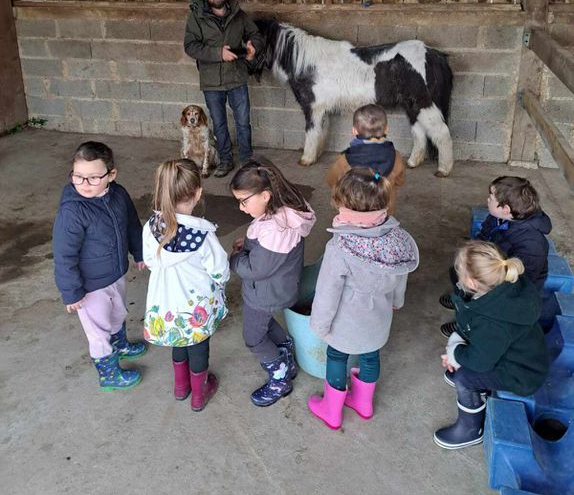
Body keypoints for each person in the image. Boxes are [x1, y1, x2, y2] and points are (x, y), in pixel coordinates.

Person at [308, 167, 419, 430]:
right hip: (379, 319)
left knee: (337, 356)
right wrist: (397, 300)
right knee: (370, 356)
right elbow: (400, 273)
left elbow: (327, 292)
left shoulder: (339, 248)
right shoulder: (397, 241)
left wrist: (319, 324)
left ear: (342, 204)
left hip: (346, 323)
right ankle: (363, 403)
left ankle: (331, 410)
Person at [435, 241, 549, 449]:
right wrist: (458, 343)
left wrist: (455, 353)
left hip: (521, 373)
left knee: (465, 377)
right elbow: (475, 330)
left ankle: (470, 429)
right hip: (513, 353)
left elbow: (480, 362)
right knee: (467, 360)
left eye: (459, 271)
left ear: (470, 282)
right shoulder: (504, 286)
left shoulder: (492, 322)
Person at [53, 141, 147, 391]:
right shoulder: (72, 211)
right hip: (89, 286)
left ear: (111, 175)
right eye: (79, 176)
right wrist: (71, 292)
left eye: (94, 178)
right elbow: (64, 255)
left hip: (115, 273)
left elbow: (131, 225)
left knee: (117, 313)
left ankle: (121, 345)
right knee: (98, 331)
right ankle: (108, 373)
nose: (84, 184)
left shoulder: (118, 195)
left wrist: (139, 252)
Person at [142, 159, 229, 411]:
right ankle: (199, 393)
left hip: (166, 301)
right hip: (196, 306)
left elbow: (149, 261)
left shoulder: (151, 227)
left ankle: (181, 387)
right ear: (198, 192)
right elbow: (220, 270)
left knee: (178, 342)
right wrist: (221, 282)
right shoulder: (203, 236)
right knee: (198, 345)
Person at [229, 161, 316, 406]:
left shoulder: (275, 230)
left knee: (254, 338)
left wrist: (236, 258)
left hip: (264, 293)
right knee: (263, 325)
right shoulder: (286, 210)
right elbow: (264, 252)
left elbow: (256, 268)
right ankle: (284, 351)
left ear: (265, 195)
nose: (241, 207)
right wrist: (247, 246)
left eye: (244, 201)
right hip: (280, 287)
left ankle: (279, 377)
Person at [439, 176, 551, 337]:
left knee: (484, 305)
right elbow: (484, 234)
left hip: (509, 283)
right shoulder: (498, 217)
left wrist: (484, 282)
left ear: (505, 208)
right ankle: (462, 299)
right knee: (457, 271)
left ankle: (466, 326)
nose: (487, 199)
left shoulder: (532, 244)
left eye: (491, 197)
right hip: (492, 264)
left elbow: (519, 281)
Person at [183, 0, 263, 177]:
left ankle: (246, 159)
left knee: (243, 122)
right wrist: (219, 53)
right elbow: (190, 46)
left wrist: (254, 46)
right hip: (211, 80)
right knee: (219, 124)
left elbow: (255, 34)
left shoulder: (238, 14)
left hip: (236, 76)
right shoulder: (196, 17)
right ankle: (225, 160)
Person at [325, 104, 405, 214]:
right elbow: (400, 181)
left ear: (354, 131)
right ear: (386, 129)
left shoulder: (346, 159)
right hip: (384, 210)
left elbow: (331, 180)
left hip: (353, 210)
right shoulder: (396, 157)